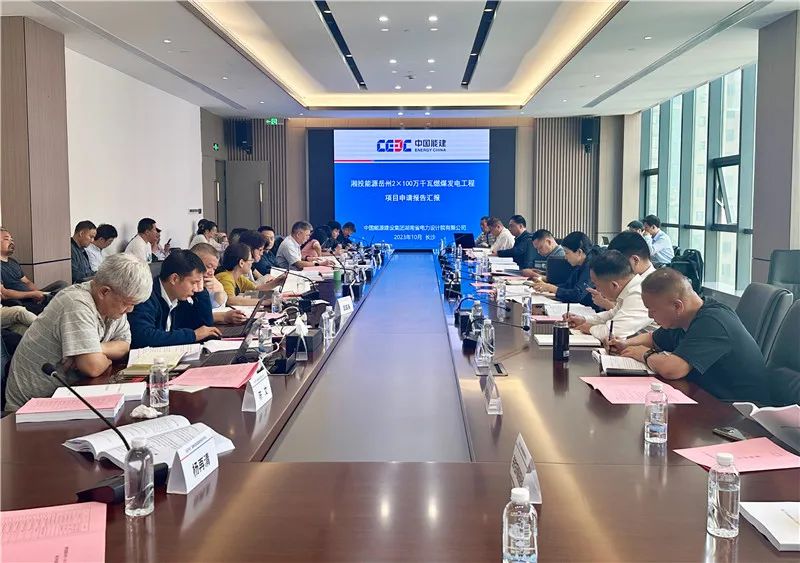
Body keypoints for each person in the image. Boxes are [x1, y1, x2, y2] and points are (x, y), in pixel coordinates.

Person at [5, 254, 152, 410]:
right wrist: (101, 357)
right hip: (28, 409)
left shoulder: (113, 306)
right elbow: (92, 367)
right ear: (104, 292)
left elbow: (124, 345)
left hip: (68, 396)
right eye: (127, 303)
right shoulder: (76, 303)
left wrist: (96, 348)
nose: (130, 310)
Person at [611, 268, 769, 403]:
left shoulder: (712, 322)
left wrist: (644, 354)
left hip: (739, 411)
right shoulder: (683, 317)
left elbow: (672, 369)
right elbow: (653, 338)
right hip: (708, 398)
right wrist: (625, 343)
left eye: (652, 309)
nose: (650, 315)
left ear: (677, 306)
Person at [127, 250, 222, 349]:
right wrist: (192, 335)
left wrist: (201, 291)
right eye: (193, 283)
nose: (195, 289)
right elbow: (143, 337)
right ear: (174, 279)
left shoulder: (178, 298)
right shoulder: (146, 296)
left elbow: (204, 327)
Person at [564, 250, 657, 341]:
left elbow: (612, 332)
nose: (597, 290)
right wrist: (584, 319)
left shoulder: (639, 294)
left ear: (614, 285)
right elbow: (612, 315)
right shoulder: (630, 289)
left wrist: (589, 328)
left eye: (596, 285)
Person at [173, 243, 248, 328]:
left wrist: (220, 291)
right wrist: (223, 316)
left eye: (214, 269)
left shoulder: (209, 283)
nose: (211, 272)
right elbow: (191, 318)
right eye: (208, 266)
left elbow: (215, 308)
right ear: (193, 262)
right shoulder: (182, 286)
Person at [0, 228, 68, 313]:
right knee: (61, 302)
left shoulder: (13, 262)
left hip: (31, 295)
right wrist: (32, 294)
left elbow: (27, 282)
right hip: (20, 301)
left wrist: (36, 292)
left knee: (62, 284)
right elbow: (4, 294)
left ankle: (49, 299)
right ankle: (54, 300)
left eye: (12, 240)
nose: (11, 242)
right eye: (7, 239)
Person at [531, 231, 600, 309]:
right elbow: (568, 285)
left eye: (566, 253)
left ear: (579, 252)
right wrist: (547, 287)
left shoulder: (592, 266)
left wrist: (553, 288)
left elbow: (577, 294)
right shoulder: (580, 263)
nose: (565, 257)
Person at [216, 243, 285, 306]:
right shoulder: (225, 277)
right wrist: (264, 302)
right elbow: (230, 300)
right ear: (241, 263)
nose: (252, 262)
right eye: (250, 260)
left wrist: (277, 282)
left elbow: (256, 288)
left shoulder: (238, 277)